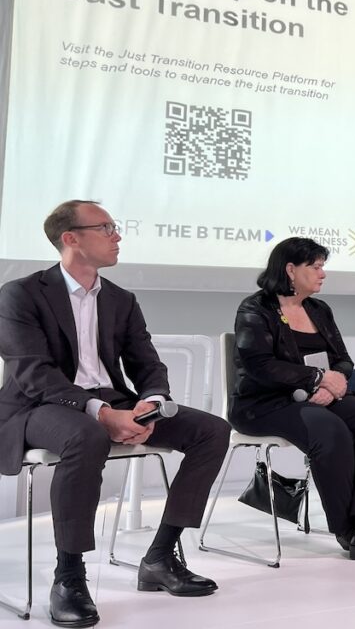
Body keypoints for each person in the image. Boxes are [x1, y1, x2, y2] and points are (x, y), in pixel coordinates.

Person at [0, 200, 230, 628]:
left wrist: (151, 403)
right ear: (71, 239)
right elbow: (34, 373)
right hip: (39, 406)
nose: (117, 236)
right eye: (106, 228)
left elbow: (147, 363)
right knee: (86, 435)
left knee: (212, 430)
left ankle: (160, 558)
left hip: (111, 401)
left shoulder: (121, 299)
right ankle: (69, 577)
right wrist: (103, 414)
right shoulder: (21, 294)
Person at [232, 237, 355, 560]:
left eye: (322, 266)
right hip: (264, 403)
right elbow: (259, 365)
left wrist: (337, 381)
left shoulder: (319, 309)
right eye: (315, 267)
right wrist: (318, 379)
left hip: (319, 397)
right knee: (330, 430)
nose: (323, 274)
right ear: (290, 270)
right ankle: (348, 530)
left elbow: (342, 358)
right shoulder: (255, 308)